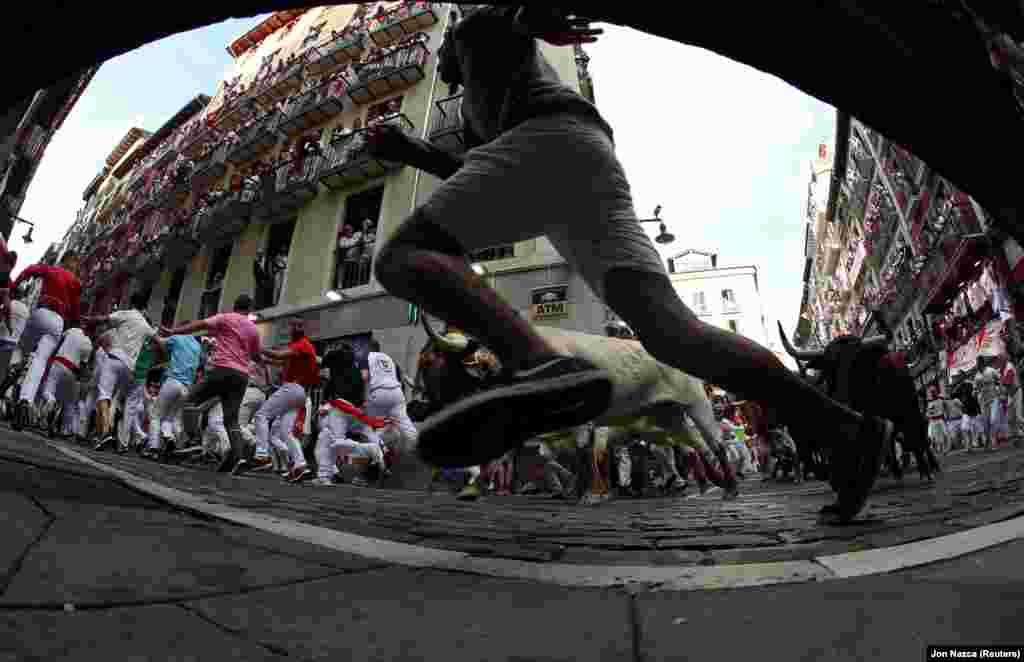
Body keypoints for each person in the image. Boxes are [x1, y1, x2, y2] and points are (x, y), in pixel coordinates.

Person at [364, 6, 892, 524]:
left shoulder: (474, 27)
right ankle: (841, 428)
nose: (442, 65)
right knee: (671, 334)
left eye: (443, 55)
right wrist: (412, 149)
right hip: (584, 163)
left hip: (549, 147)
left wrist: (528, 21)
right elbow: (484, 169)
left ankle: (545, 364)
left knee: (405, 257)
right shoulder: (482, 98)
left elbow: (509, 23)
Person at [164, 294, 263, 473]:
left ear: (235, 306)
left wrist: (175, 331)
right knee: (231, 419)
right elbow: (256, 356)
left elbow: (200, 325)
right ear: (249, 309)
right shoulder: (253, 329)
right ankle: (237, 457)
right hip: (241, 376)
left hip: (222, 370)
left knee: (189, 400)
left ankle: (194, 440)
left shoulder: (225, 317)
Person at [10, 251, 82, 430]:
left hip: (41, 313)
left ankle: (15, 367)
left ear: (63, 261)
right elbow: (75, 312)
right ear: (74, 265)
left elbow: (29, 269)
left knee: (22, 347)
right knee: (40, 361)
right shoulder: (75, 282)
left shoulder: (50, 270)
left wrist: (16, 286)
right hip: (57, 322)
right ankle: (25, 400)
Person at [86, 292, 155, 451]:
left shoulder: (126, 314)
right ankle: (102, 435)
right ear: (145, 307)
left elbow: (104, 319)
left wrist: (90, 319)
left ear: (132, 304)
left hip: (115, 359)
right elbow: (158, 342)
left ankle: (105, 432)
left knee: (104, 396)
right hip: (130, 369)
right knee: (115, 403)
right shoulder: (146, 325)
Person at [252, 319, 319, 482]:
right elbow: (280, 361)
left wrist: (256, 348)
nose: (296, 328)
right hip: (300, 393)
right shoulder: (300, 348)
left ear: (304, 329)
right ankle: (300, 464)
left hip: (292, 389)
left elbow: (278, 355)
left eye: (300, 325)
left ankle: (262, 453)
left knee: (261, 416)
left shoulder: (302, 344)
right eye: (294, 325)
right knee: (286, 432)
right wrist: (261, 359)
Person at [143, 330, 202, 460]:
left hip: (173, 381)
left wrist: (153, 332)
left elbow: (160, 342)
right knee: (170, 418)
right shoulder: (197, 346)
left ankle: (153, 448)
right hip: (186, 387)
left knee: (156, 415)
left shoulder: (177, 338)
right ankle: (170, 438)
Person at [361, 338, 418, 453]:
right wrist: (416, 387)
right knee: (407, 427)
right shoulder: (389, 359)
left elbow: (364, 377)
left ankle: (377, 455)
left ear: (368, 348)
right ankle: (423, 448)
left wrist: (364, 398)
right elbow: (405, 378)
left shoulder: (367, 357)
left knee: (375, 427)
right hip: (396, 393)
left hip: (379, 393)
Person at [38, 322, 92, 437]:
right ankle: (65, 429)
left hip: (58, 362)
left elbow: (58, 342)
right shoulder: (88, 344)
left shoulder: (73, 330)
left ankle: (50, 401)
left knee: (48, 390)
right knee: (70, 402)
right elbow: (83, 366)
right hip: (71, 370)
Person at [973, 356, 1003, 451]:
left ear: (982, 363)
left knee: (993, 420)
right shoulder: (977, 376)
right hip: (983, 401)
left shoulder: (991, 371)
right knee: (985, 422)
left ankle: (994, 442)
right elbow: (975, 388)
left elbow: (999, 380)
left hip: (993, 399)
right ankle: (987, 442)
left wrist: (1000, 391)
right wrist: (974, 392)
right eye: (977, 364)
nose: (977, 365)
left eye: (978, 363)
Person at [925, 385, 951, 456]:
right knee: (932, 436)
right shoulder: (928, 401)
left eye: (934, 391)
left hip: (940, 419)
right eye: (931, 392)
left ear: (936, 391)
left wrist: (947, 414)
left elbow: (946, 406)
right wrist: (928, 416)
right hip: (932, 420)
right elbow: (927, 412)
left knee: (944, 434)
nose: (933, 393)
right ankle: (936, 449)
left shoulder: (941, 398)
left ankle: (945, 449)